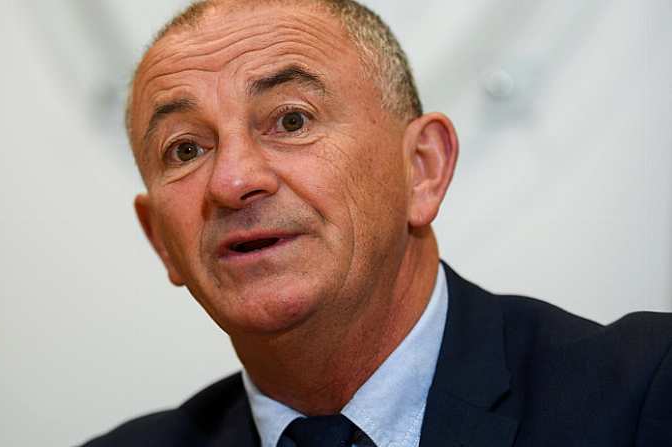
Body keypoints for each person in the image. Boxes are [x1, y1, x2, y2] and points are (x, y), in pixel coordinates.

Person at [83, 0, 672, 445]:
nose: (233, 181)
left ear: (422, 169)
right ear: (162, 241)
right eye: (185, 150)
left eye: (290, 120)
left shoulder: (644, 394)